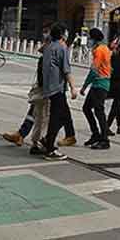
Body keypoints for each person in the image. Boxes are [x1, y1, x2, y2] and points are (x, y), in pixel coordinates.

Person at [3, 30, 52, 154]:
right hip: (46, 91)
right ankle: (32, 140)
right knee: (41, 115)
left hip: (48, 91)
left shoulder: (48, 55)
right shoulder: (47, 56)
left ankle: (26, 136)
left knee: (44, 116)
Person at [41, 23, 79, 160]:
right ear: (63, 35)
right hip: (57, 88)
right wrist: (74, 88)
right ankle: (49, 147)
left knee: (63, 114)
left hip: (49, 87)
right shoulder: (61, 48)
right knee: (56, 118)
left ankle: (51, 140)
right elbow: (66, 70)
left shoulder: (48, 47)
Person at [80, 28, 112, 149]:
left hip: (100, 84)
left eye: (90, 38)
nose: (89, 40)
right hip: (100, 84)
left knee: (98, 111)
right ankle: (96, 134)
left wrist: (84, 86)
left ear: (94, 39)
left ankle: (104, 139)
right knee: (87, 108)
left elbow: (94, 70)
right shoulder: (105, 48)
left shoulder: (99, 50)